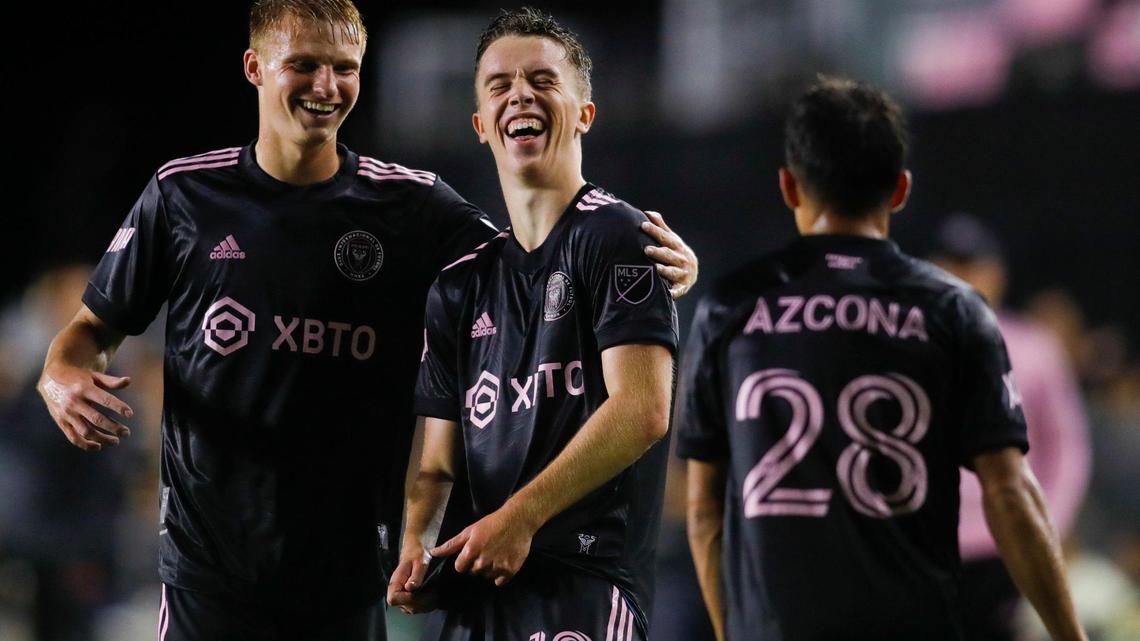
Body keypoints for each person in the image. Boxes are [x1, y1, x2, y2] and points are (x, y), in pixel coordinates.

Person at [35, 2, 697, 640]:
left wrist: (658, 259)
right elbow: (92, 329)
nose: (326, 86)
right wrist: (61, 371)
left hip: (347, 577)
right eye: (304, 64)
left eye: (344, 67)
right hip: (209, 573)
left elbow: (532, 249)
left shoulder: (411, 205)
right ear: (254, 67)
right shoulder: (183, 193)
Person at [677, 76, 1086, 641]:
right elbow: (1010, 491)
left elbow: (704, 508)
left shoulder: (730, 306)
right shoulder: (954, 310)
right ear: (899, 189)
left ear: (790, 186)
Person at [390, 9, 677, 641]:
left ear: (584, 113)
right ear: (480, 125)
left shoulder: (617, 235)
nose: (520, 94)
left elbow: (643, 409)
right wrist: (417, 546)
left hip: (585, 586)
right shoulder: (458, 286)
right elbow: (435, 467)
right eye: (500, 85)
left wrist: (520, 517)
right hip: (479, 595)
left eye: (543, 80)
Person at [929, 213, 1092, 641]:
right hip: (927, 540)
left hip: (1004, 540)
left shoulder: (1035, 346)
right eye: (949, 263)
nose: (961, 275)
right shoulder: (908, 340)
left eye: (972, 264)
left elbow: (1066, 447)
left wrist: (1049, 527)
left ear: (997, 272)